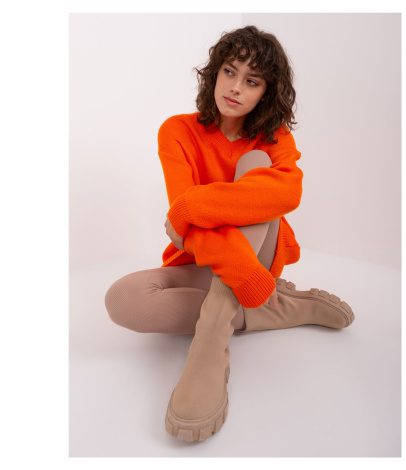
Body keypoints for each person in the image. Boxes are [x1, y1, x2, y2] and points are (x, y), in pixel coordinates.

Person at [104, 25, 355, 442]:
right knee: (122, 300)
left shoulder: (273, 138)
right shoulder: (177, 131)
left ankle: (212, 337)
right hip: (206, 260)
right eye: (229, 72)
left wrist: (191, 207)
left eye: (252, 81)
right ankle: (281, 308)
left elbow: (287, 194)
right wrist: (241, 270)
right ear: (215, 74)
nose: (236, 87)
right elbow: (185, 234)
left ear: (265, 93)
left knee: (255, 165)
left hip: (259, 254)